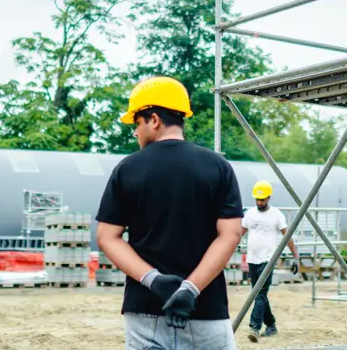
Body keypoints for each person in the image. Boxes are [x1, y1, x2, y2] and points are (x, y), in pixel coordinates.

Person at [95, 76, 244, 349]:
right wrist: (191, 288)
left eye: (136, 124)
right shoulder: (218, 167)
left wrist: (154, 281)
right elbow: (231, 234)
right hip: (206, 311)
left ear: (154, 119)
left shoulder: (127, 169)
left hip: (145, 312)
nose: (136, 133)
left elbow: (107, 237)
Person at [240, 181, 299, 343]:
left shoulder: (276, 215)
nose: (260, 202)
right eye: (257, 199)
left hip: (268, 260)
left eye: (263, 199)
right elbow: (239, 232)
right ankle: (271, 325)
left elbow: (287, 236)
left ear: (269, 198)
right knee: (260, 295)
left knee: (259, 294)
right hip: (252, 259)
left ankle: (255, 327)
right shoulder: (250, 214)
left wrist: (295, 256)